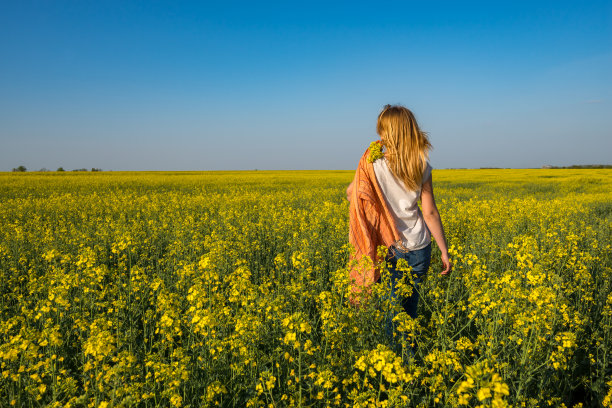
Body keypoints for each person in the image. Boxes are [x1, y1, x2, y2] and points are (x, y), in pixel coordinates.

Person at [347, 104, 451, 353]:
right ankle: (410, 361)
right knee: (409, 309)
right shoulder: (421, 164)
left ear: (388, 134)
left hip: (390, 247)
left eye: (381, 131)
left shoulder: (372, 166)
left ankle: (398, 367)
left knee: (392, 312)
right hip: (419, 247)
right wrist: (444, 251)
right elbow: (429, 212)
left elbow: (352, 194)